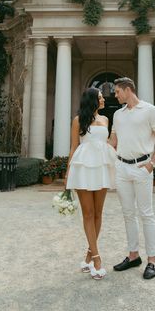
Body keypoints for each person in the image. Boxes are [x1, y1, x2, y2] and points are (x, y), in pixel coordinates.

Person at [108, 77, 155, 280]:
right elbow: (112, 142)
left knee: (146, 214)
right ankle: (133, 256)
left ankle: (152, 260)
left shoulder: (150, 110)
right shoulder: (117, 114)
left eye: (117, 91)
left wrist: (152, 164)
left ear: (127, 89)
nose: (114, 95)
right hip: (121, 167)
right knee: (127, 213)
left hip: (142, 167)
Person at [65, 87, 116, 280]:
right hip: (83, 167)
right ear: (92, 100)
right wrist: (68, 174)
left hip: (101, 166)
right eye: (101, 97)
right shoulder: (78, 120)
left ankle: (88, 255)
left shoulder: (105, 120)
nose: (104, 100)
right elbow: (73, 147)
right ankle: (96, 259)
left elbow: (110, 143)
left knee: (98, 212)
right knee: (87, 213)